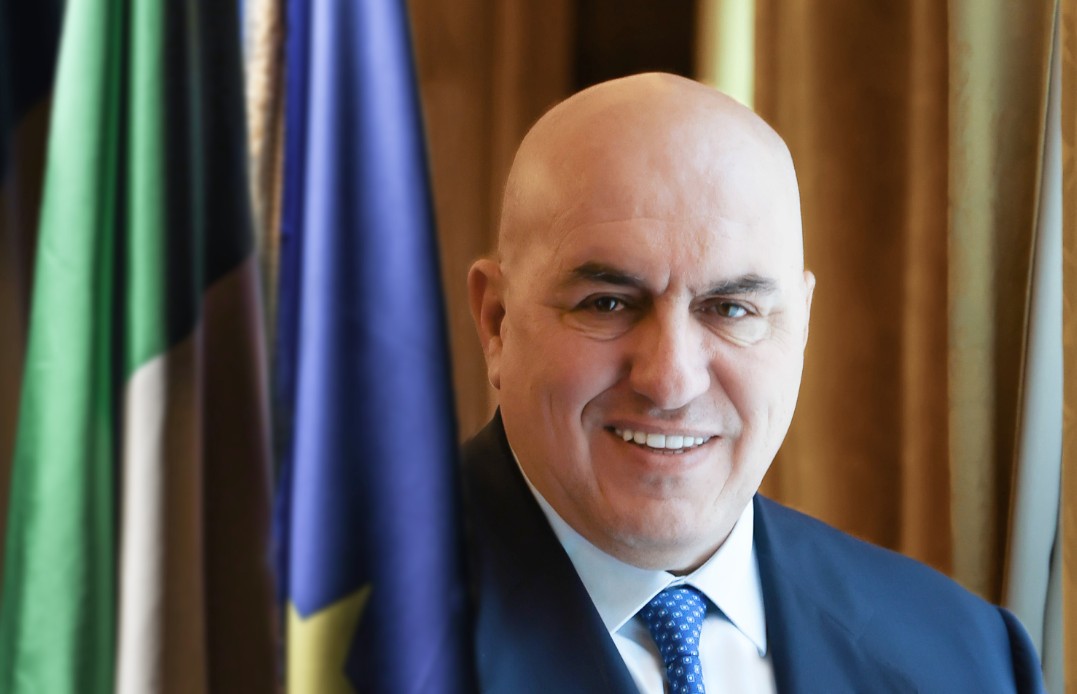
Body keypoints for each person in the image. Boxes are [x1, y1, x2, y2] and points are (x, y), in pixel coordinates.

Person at [460, 72, 1044, 693]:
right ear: (497, 322)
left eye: (731, 309)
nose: (671, 381)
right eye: (607, 304)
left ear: (801, 325)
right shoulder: (381, 630)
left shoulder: (969, 659)